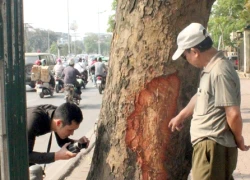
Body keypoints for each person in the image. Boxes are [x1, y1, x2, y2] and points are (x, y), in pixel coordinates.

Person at [168, 23, 249, 180]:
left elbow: (233, 114)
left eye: (186, 56)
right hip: (210, 147)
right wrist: (182, 115)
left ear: (194, 52)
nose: (187, 60)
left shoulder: (219, 71)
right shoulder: (210, 68)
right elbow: (200, 96)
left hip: (212, 147)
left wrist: (239, 138)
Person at [27, 103, 89, 177]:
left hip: (22, 147)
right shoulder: (33, 121)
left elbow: (62, 142)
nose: (72, 133)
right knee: (33, 173)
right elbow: (26, 156)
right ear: (58, 123)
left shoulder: (58, 115)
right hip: (12, 143)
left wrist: (78, 143)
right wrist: (57, 156)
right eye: (70, 130)